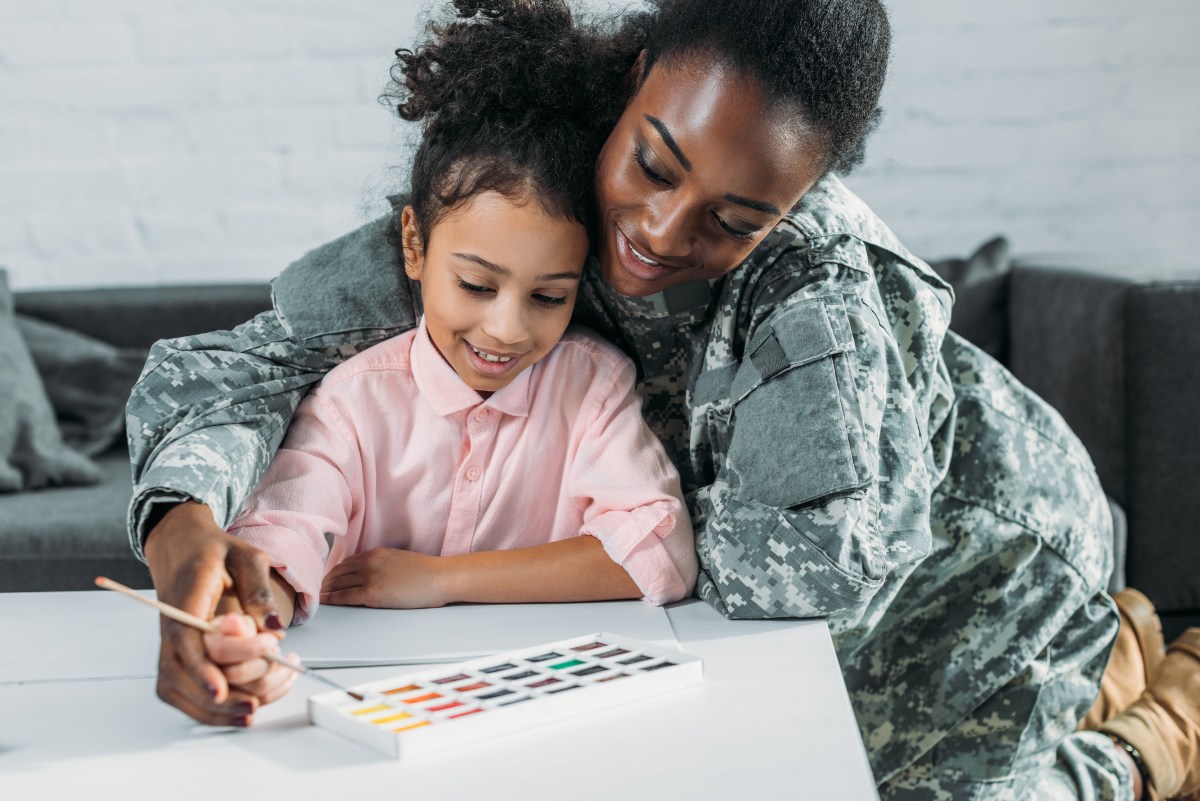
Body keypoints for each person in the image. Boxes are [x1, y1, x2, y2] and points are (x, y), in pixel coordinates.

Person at [125, 1, 1200, 799]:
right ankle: (1113, 656)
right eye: (651, 163)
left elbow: (780, 586)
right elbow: (237, 369)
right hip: (800, 576)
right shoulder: (527, 173)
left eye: (733, 219)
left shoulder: (819, 298)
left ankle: (1153, 711)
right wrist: (186, 535)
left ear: (797, 202)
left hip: (983, 554)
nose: (661, 231)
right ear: (633, 81)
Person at [217, 2, 696, 636]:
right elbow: (284, 535)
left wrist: (444, 580)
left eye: (549, 297)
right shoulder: (352, 402)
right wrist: (250, 622)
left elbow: (658, 553)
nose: (505, 329)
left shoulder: (593, 386)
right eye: (475, 284)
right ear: (414, 245)